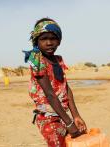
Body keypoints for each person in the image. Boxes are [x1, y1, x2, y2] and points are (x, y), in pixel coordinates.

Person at [23, 18, 87, 147]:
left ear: (59, 41)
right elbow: (50, 94)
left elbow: (66, 88)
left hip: (63, 115)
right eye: (43, 39)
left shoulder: (58, 60)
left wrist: (76, 116)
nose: (49, 43)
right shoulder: (37, 60)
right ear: (36, 41)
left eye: (53, 38)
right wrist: (69, 123)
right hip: (48, 118)